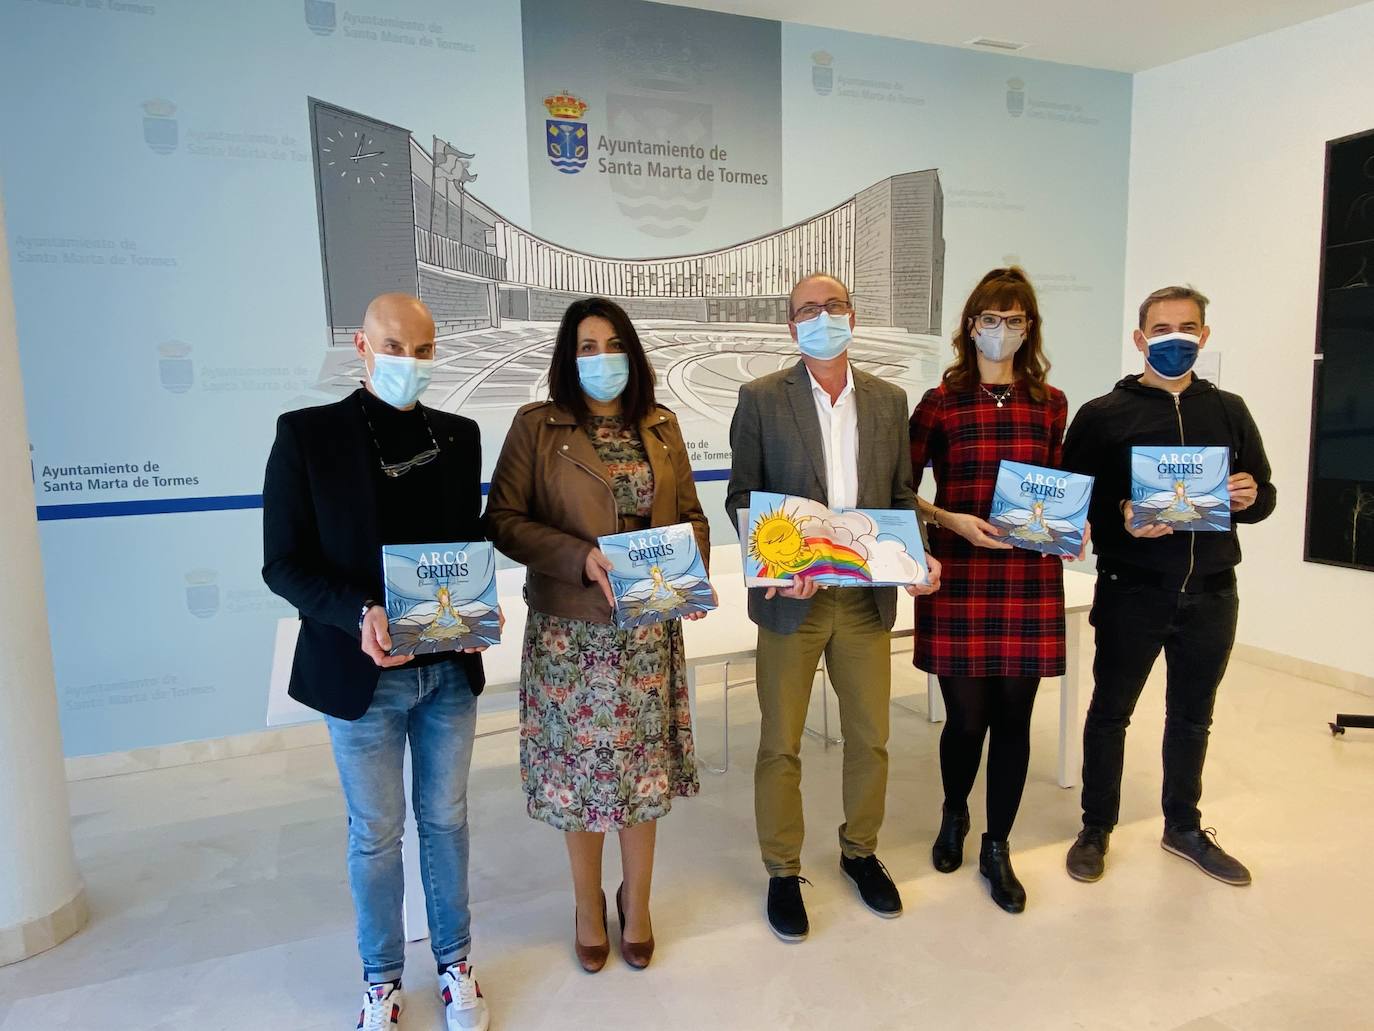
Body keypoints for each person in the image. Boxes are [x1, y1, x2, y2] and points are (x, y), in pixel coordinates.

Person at [262, 293, 493, 1031]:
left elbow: (465, 544)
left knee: (447, 820)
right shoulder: (307, 436)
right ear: (362, 346)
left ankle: (455, 965)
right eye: (394, 347)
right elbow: (282, 563)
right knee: (376, 832)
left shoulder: (457, 436)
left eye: (423, 351)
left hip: (446, 672)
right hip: (360, 675)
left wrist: (474, 606)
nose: (409, 362)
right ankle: (381, 981)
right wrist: (357, 610)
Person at [485, 296, 710, 973]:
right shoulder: (537, 427)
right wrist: (578, 557)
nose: (602, 357)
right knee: (577, 780)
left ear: (631, 353)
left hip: (646, 635)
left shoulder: (661, 425)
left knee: (643, 775)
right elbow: (504, 520)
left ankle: (636, 903)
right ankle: (587, 906)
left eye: (613, 344)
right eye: (587, 346)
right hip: (570, 638)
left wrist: (688, 575)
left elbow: (693, 515)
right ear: (568, 356)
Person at [726, 273, 942, 943]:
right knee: (780, 743)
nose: (823, 317)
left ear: (853, 315)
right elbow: (742, 495)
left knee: (871, 737)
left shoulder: (888, 400)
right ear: (792, 326)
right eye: (809, 310)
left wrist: (917, 556)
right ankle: (783, 869)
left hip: (864, 600)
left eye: (834, 306)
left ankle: (860, 850)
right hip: (794, 601)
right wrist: (777, 564)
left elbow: (901, 494)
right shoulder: (762, 398)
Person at [1062, 285, 1275, 886]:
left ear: (1203, 336)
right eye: (1161, 329)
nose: (1174, 339)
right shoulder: (1103, 414)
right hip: (1132, 588)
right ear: (1140, 339)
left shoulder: (1229, 410)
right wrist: (1121, 514)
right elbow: (1074, 504)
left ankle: (1183, 826)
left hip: (1213, 592)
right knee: (1111, 712)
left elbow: (1264, 495)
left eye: (1186, 328)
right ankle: (1095, 827)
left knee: (1192, 717)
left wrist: (1252, 497)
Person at [908, 267, 1079, 913]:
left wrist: (1071, 522)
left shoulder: (1051, 403)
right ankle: (954, 811)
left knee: (1014, 719)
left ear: (1028, 328)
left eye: (1013, 319)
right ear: (970, 325)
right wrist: (947, 519)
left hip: (1028, 574)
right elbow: (899, 489)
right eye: (990, 318)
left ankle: (998, 845)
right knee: (967, 719)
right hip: (960, 572)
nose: (1000, 329)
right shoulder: (941, 401)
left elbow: (1058, 484)